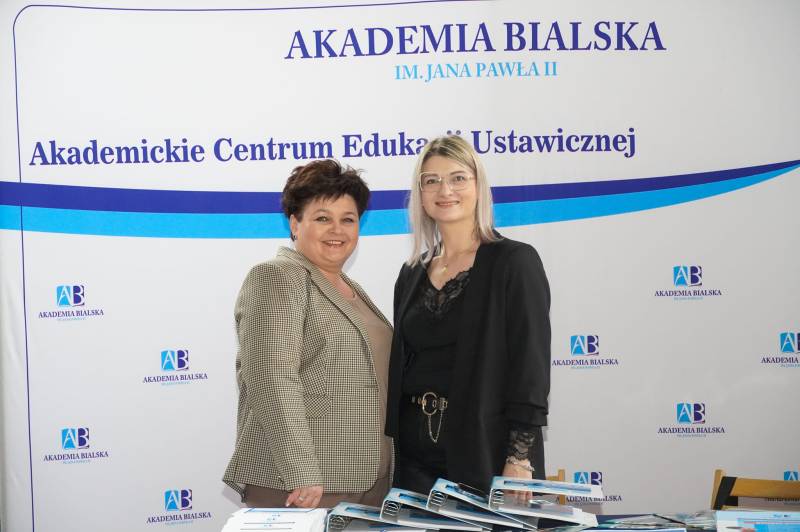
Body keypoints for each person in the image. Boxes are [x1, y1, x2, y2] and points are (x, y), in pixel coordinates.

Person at [386, 135, 551, 495]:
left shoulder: (514, 262)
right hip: (414, 460)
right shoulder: (411, 273)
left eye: (458, 178)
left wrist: (519, 457)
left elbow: (530, 368)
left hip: (486, 451)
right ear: (421, 193)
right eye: (431, 180)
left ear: (478, 186)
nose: (445, 190)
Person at [223, 159, 392, 508]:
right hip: (305, 485)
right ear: (295, 223)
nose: (337, 230)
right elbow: (270, 376)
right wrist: (300, 470)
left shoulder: (350, 288)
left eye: (348, 219)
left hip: (367, 479)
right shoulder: (278, 276)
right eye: (322, 218)